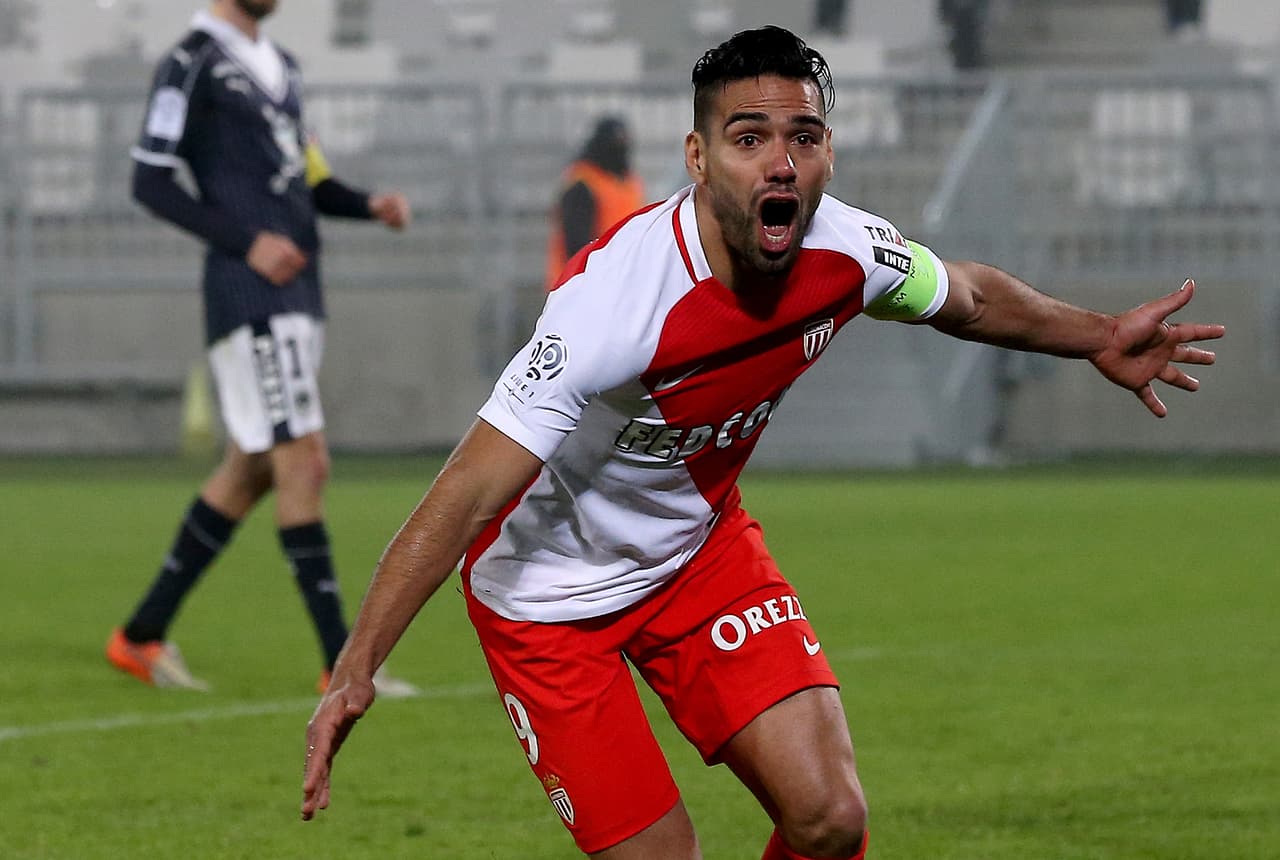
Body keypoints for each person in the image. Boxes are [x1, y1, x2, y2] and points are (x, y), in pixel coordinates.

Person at [301, 25, 1224, 859]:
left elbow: (971, 298)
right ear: (699, 158)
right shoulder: (612, 308)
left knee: (830, 818)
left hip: (698, 557)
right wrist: (357, 669)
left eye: (804, 138)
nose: (781, 164)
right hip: (548, 604)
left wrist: (1100, 336)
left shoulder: (849, 251)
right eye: (750, 140)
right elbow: (463, 495)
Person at [105, 0, 416, 697]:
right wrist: (247, 242)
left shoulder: (283, 68)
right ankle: (340, 664)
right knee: (304, 461)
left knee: (251, 469)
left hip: (300, 294)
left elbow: (308, 180)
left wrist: (369, 204)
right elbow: (148, 179)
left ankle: (140, 636)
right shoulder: (191, 63)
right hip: (250, 294)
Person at [544, 115, 646, 291]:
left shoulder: (630, 183)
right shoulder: (582, 183)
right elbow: (576, 246)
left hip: (619, 284)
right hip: (579, 287)